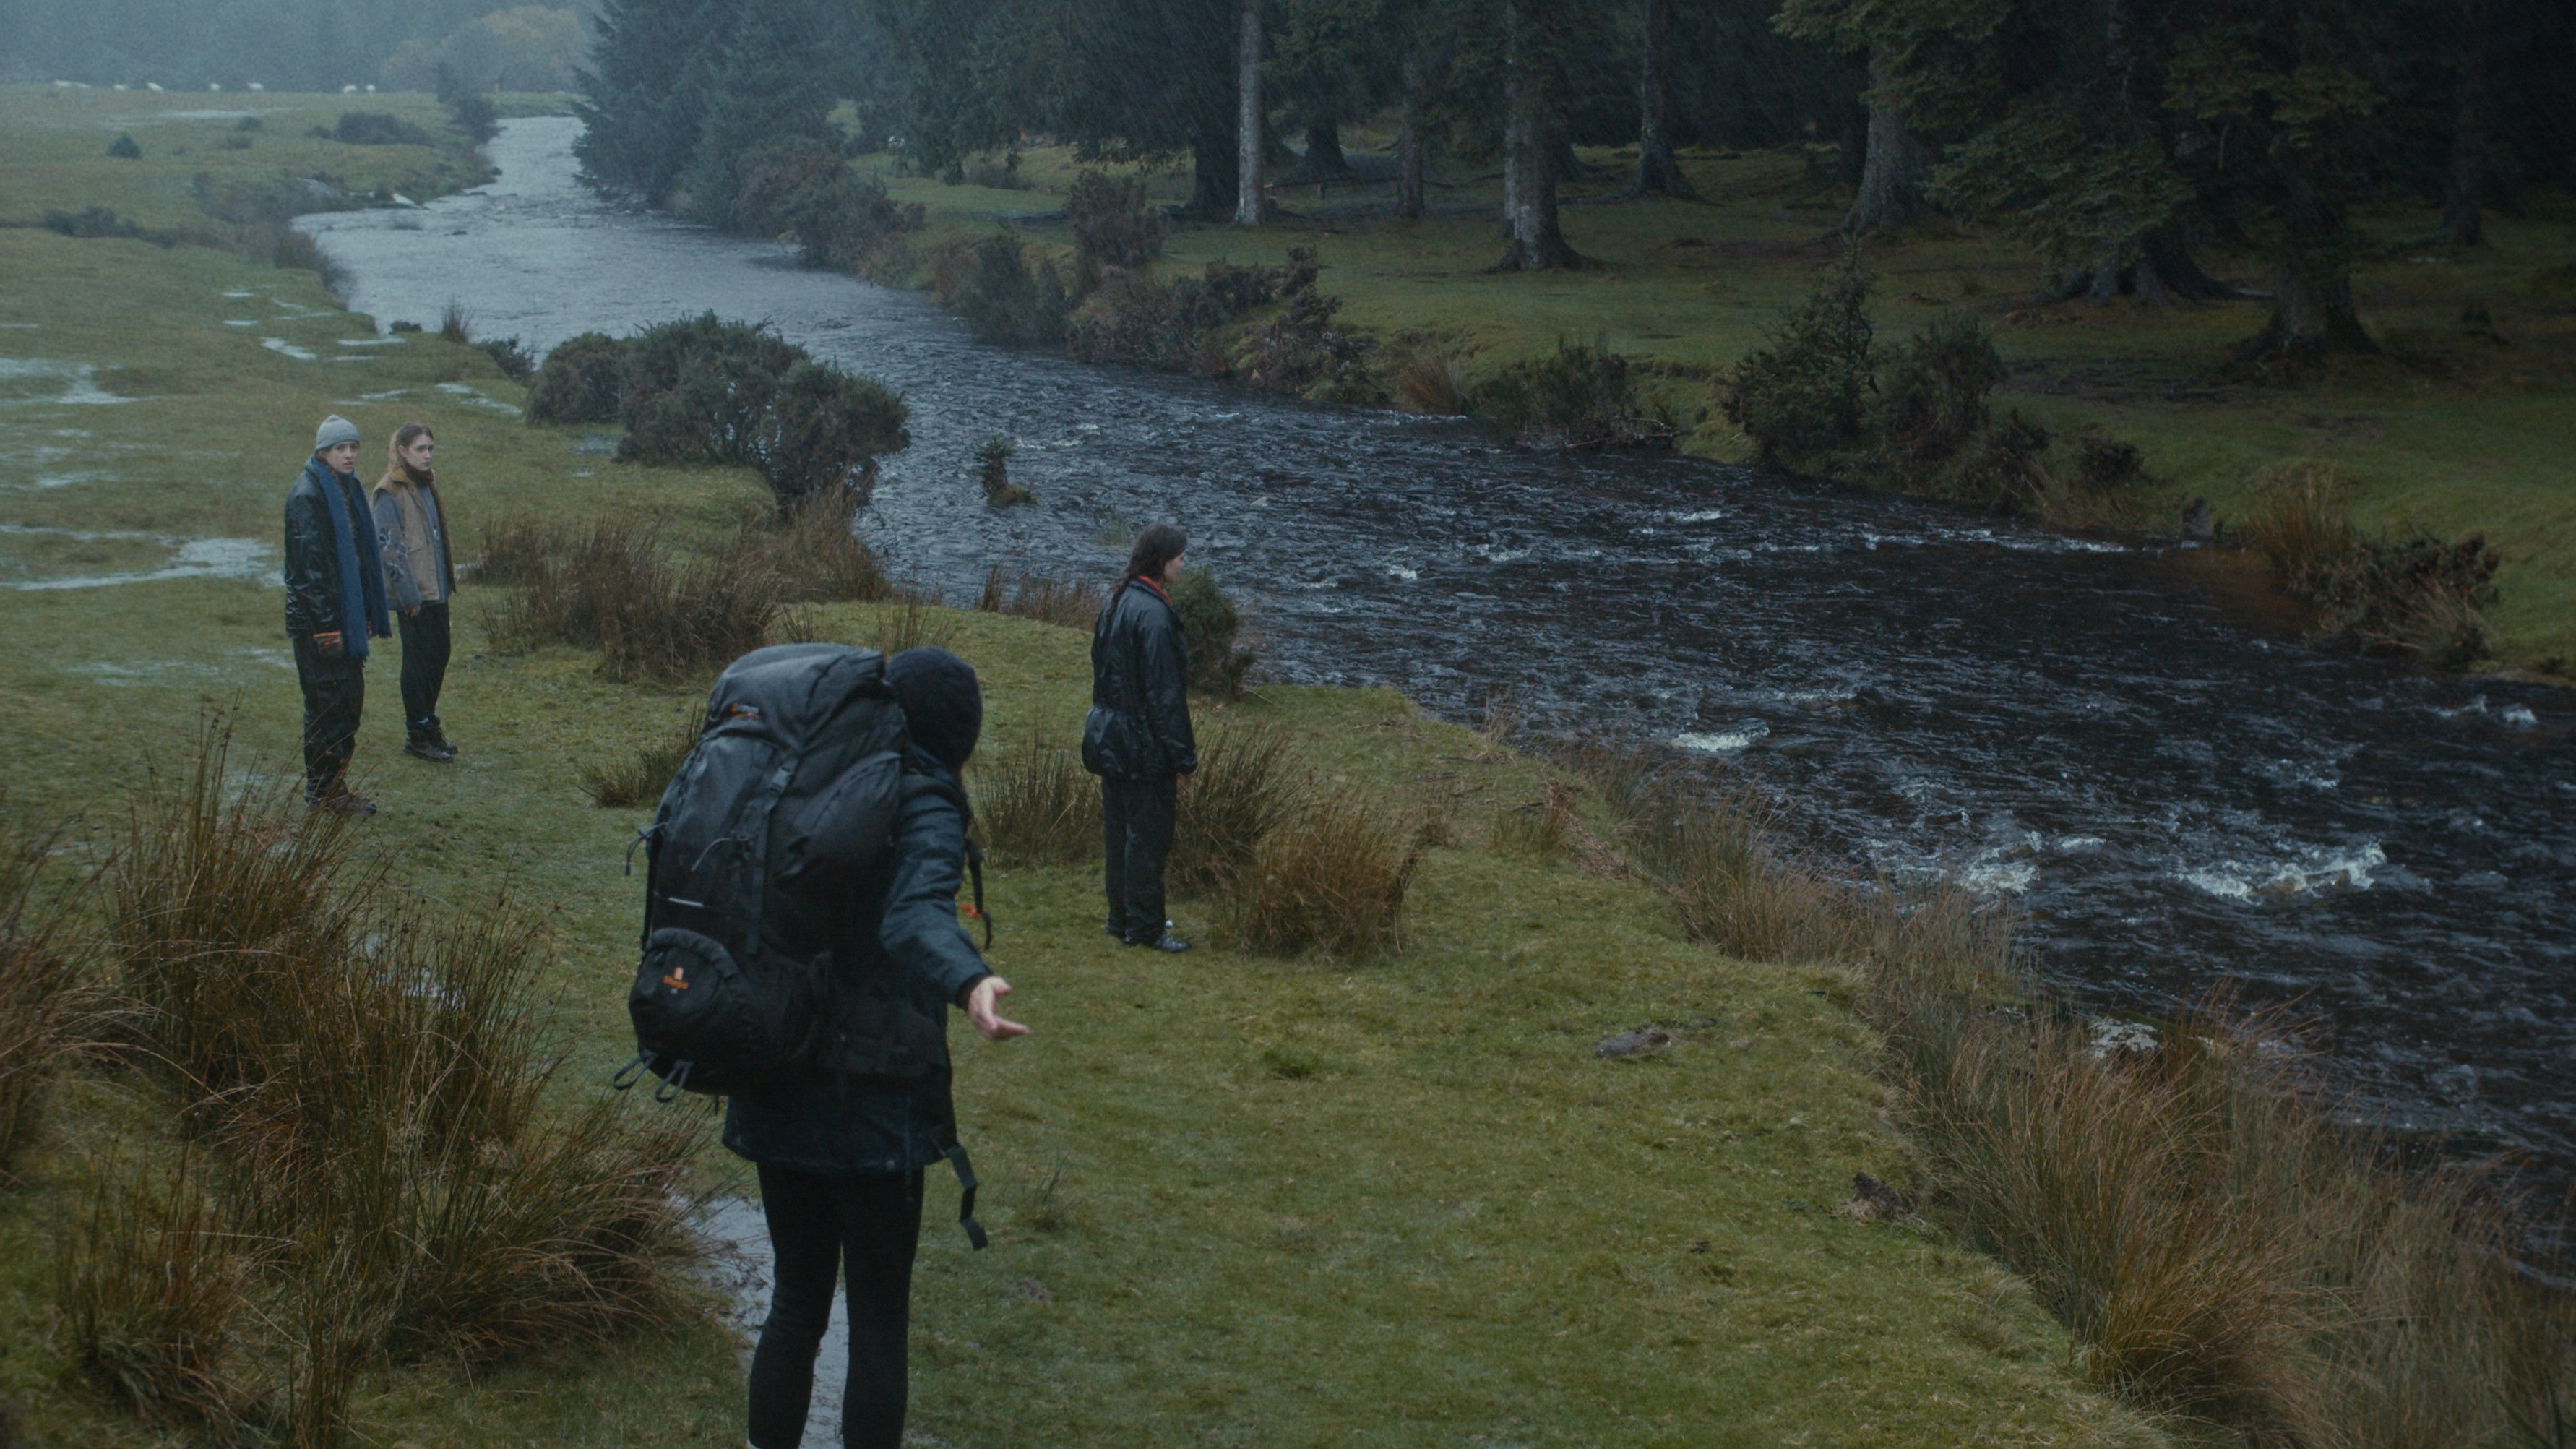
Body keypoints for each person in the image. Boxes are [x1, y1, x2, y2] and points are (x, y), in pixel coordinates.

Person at [724, 647, 1029, 1449]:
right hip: (877, 1093)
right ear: (959, 738)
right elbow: (914, 914)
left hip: (777, 1067)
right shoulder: (923, 797)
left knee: (795, 1299)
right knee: (878, 1316)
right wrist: (970, 980)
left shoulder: (803, 773)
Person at [1082, 523, 1197, 953]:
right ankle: (1146, 929)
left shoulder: (1116, 601)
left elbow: (1101, 668)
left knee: (1119, 834)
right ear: (1162, 562)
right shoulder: (1154, 615)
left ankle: (1122, 919)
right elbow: (1165, 696)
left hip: (1111, 737)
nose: (1183, 565)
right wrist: (1184, 757)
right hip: (1144, 745)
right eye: (1180, 558)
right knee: (1148, 838)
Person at [283, 415, 390, 814]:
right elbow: (306, 574)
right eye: (340, 448)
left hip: (343, 620)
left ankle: (332, 787)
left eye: (353, 447)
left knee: (346, 706)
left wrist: (360, 615)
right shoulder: (308, 496)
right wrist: (328, 630)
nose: (349, 455)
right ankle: (323, 793)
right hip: (319, 627)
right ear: (322, 452)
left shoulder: (346, 489)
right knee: (328, 708)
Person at [371, 423, 459, 762]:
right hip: (415, 595)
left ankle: (429, 724)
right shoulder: (389, 491)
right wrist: (407, 596)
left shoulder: (426, 484)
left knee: (439, 654)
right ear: (402, 451)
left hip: (435, 589)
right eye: (420, 449)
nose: (428, 455)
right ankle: (417, 734)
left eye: (431, 448)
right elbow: (389, 549)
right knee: (417, 661)